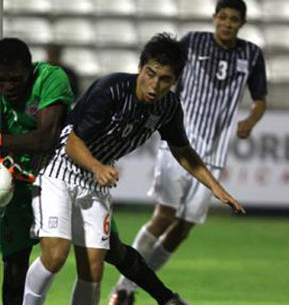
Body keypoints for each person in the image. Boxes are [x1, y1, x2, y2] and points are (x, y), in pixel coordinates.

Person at [0, 37, 190, 305]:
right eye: (1, 80)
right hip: (16, 183)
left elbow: (47, 139)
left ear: (31, 68)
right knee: (17, 262)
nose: (8, 87)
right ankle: (167, 299)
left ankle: (166, 298)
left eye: (15, 79)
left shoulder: (50, 79)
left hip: (63, 172)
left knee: (109, 252)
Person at [22, 32, 245, 305]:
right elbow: (71, 142)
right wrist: (97, 166)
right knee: (56, 255)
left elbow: (183, 151)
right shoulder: (112, 89)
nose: (154, 85)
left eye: (164, 79)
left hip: (94, 182)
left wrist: (216, 188)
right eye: (150, 74)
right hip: (60, 168)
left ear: (174, 81)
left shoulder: (168, 108)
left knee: (93, 269)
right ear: (140, 67)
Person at [109, 1, 267, 304]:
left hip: (215, 153)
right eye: (223, 17)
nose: (227, 23)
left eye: (234, 19)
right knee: (164, 216)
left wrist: (250, 119)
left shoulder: (251, 54)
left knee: (183, 229)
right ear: (214, 18)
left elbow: (259, 98)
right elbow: (166, 75)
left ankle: (135, 285)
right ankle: (123, 288)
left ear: (242, 23)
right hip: (179, 142)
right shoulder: (192, 42)